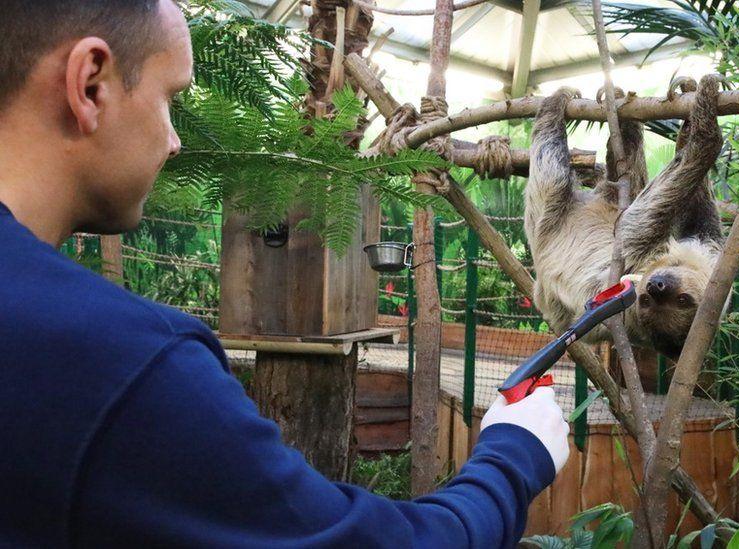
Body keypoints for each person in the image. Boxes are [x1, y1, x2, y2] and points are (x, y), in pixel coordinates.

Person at [0, 1, 570, 547]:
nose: (175, 142)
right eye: (170, 98)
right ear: (90, 82)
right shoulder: (127, 365)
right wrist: (512, 455)